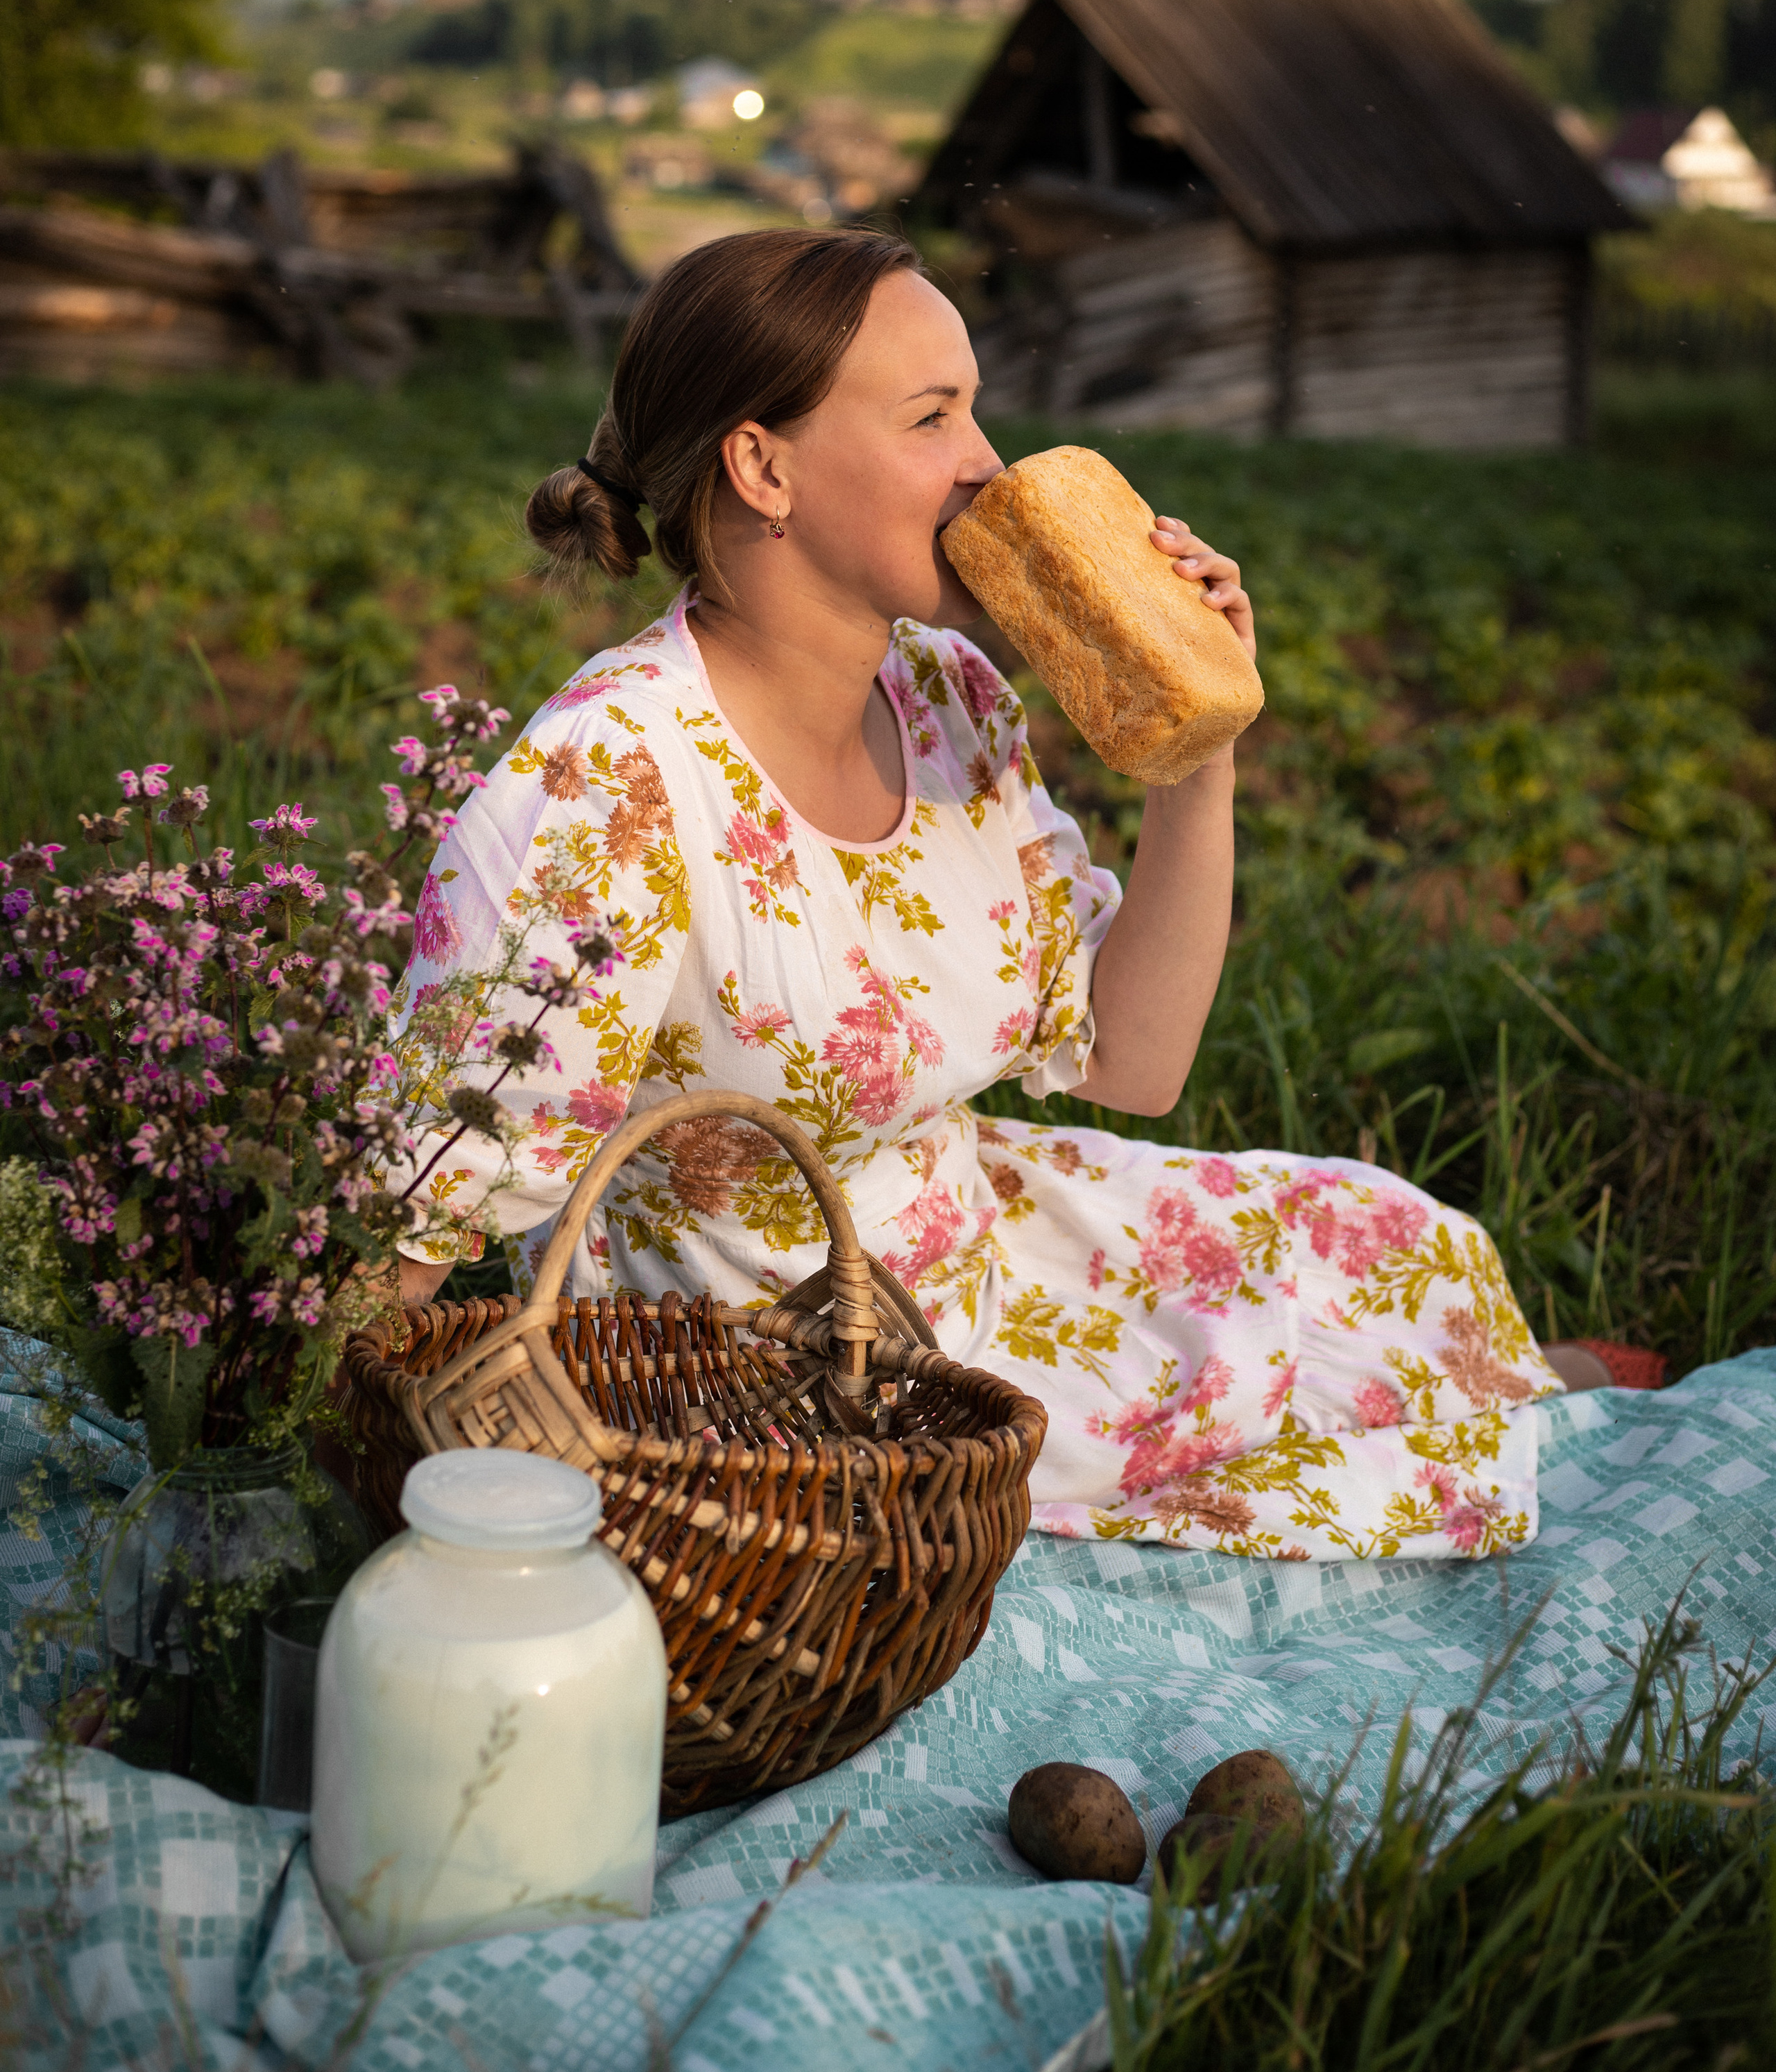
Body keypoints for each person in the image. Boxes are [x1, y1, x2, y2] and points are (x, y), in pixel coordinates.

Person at [391, 226, 1568, 1561]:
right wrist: (300, 1456)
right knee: (1370, 1439)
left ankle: (1523, 1384)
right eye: (932, 415)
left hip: (991, 1253)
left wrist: (1200, 747)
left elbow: (1137, 1061)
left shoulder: (949, 700)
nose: (986, 464)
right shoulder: (610, 785)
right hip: (793, 1385)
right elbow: (429, 1185)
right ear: (762, 465)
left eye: (977, 409)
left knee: (1400, 1241)